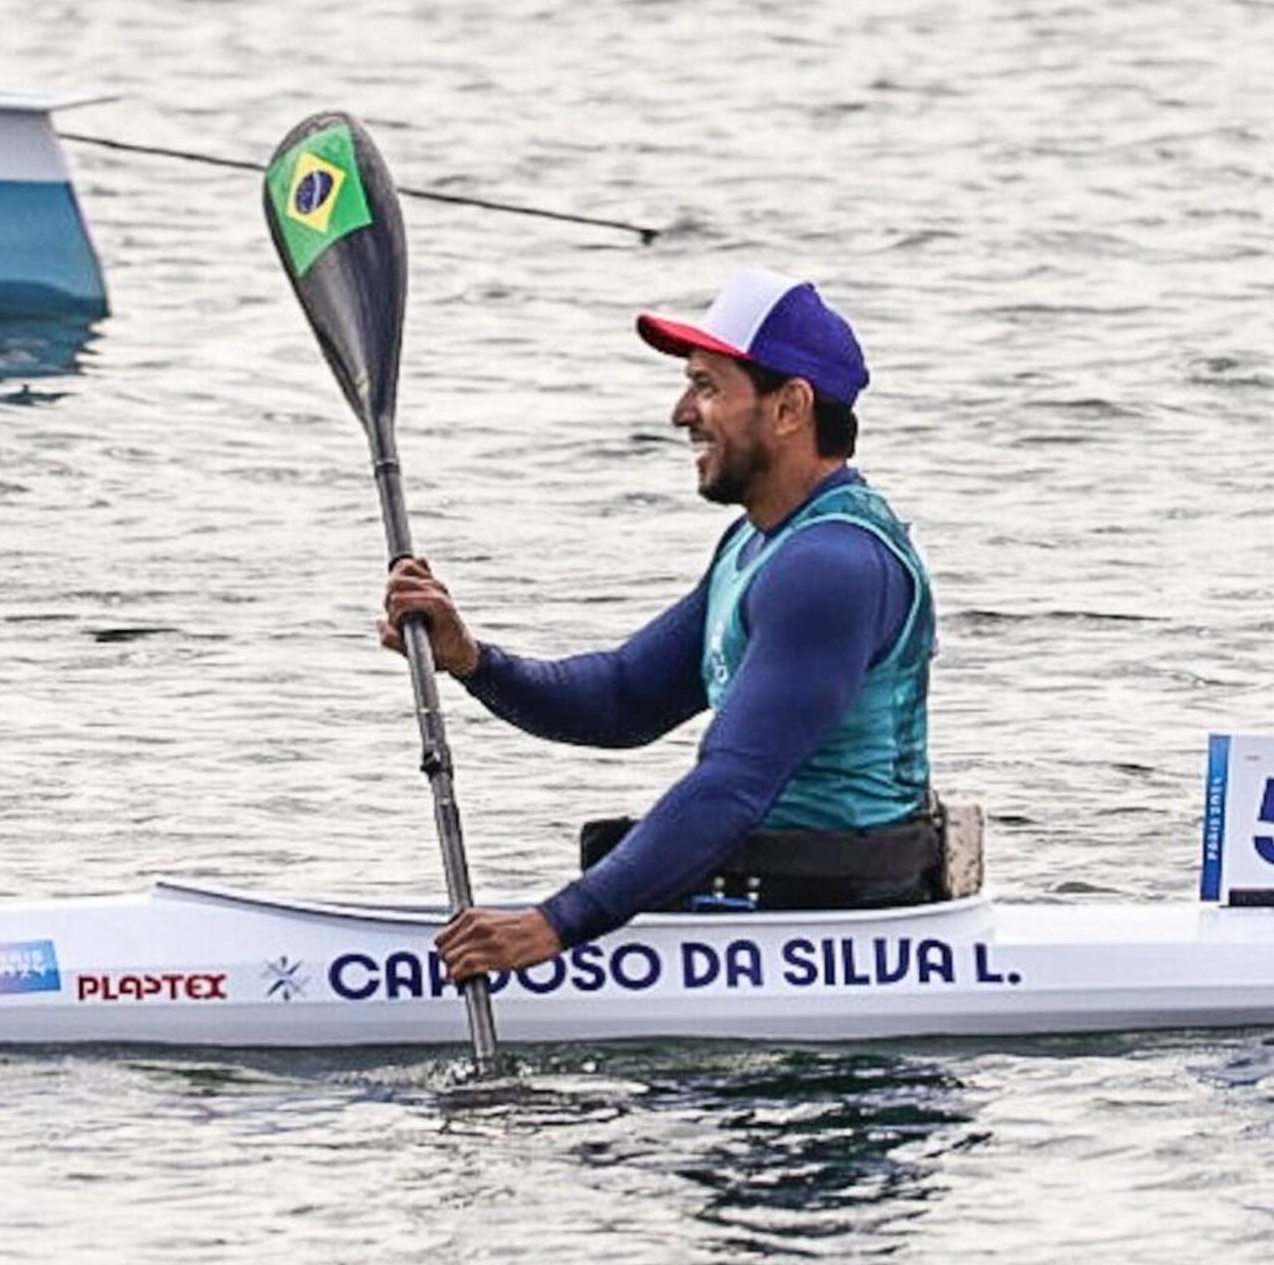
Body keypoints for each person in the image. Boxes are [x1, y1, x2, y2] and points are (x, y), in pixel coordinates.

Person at [378, 269, 943, 984]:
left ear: (790, 407)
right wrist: (472, 660)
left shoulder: (832, 565)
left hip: (841, 917)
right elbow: (623, 699)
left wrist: (554, 926)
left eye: (708, 386)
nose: (682, 413)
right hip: (783, 898)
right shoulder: (760, 542)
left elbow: (732, 785)